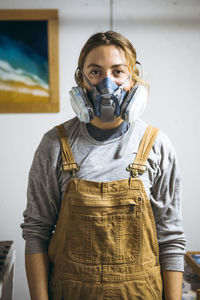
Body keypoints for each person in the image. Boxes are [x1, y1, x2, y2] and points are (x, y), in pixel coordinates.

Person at [21, 31, 186, 300]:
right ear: (81, 79)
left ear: (133, 79)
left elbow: (171, 239)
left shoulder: (157, 145)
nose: (107, 83)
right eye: (95, 72)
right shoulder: (54, 144)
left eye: (118, 72)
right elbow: (36, 233)